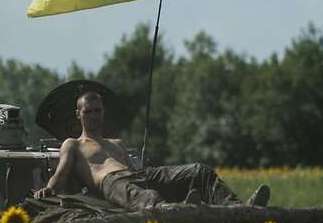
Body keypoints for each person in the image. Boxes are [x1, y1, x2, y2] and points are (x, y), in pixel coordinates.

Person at [34, 90, 269, 210]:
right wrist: (48, 189)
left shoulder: (117, 143)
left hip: (139, 176)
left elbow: (141, 174)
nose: (94, 116)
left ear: (103, 111)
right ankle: (182, 211)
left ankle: (240, 209)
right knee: (147, 199)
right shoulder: (73, 144)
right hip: (111, 183)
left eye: (97, 110)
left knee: (200, 171)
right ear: (78, 115)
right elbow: (61, 173)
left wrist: (161, 179)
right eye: (88, 112)